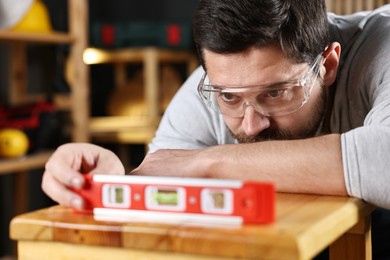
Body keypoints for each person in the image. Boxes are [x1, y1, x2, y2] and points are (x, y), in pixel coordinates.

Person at [42, 1, 390, 257]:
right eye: (230, 98)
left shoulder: (382, 45)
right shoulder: (212, 84)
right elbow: (163, 177)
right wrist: (111, 184)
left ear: (327, 64)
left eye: (276, 93)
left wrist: (207, 163)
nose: (252, 126)